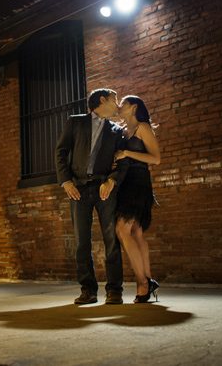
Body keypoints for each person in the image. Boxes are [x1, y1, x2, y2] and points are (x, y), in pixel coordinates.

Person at [55, 89, 130, 305]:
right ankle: (88, 290)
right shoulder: (75, 122)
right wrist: (66, 181)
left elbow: (123, 162)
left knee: (111, 240)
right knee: (82, 242)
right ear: (102, 100)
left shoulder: (116, 131)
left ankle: (114, 290)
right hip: (77, 188)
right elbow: (60, 151)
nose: (117, 104)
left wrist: (112, 180)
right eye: (114, 100)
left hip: (103, 188)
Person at [113, 95, 161, 303]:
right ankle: (147, 281)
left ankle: (142, 282)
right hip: (125, 183)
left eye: (122, 104)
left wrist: (127, 154)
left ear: (133, 107)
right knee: (135, 232)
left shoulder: (143, 127)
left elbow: (156, 158)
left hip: (139, 183)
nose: (118, 107)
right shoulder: (123, 132)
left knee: (122, 230)